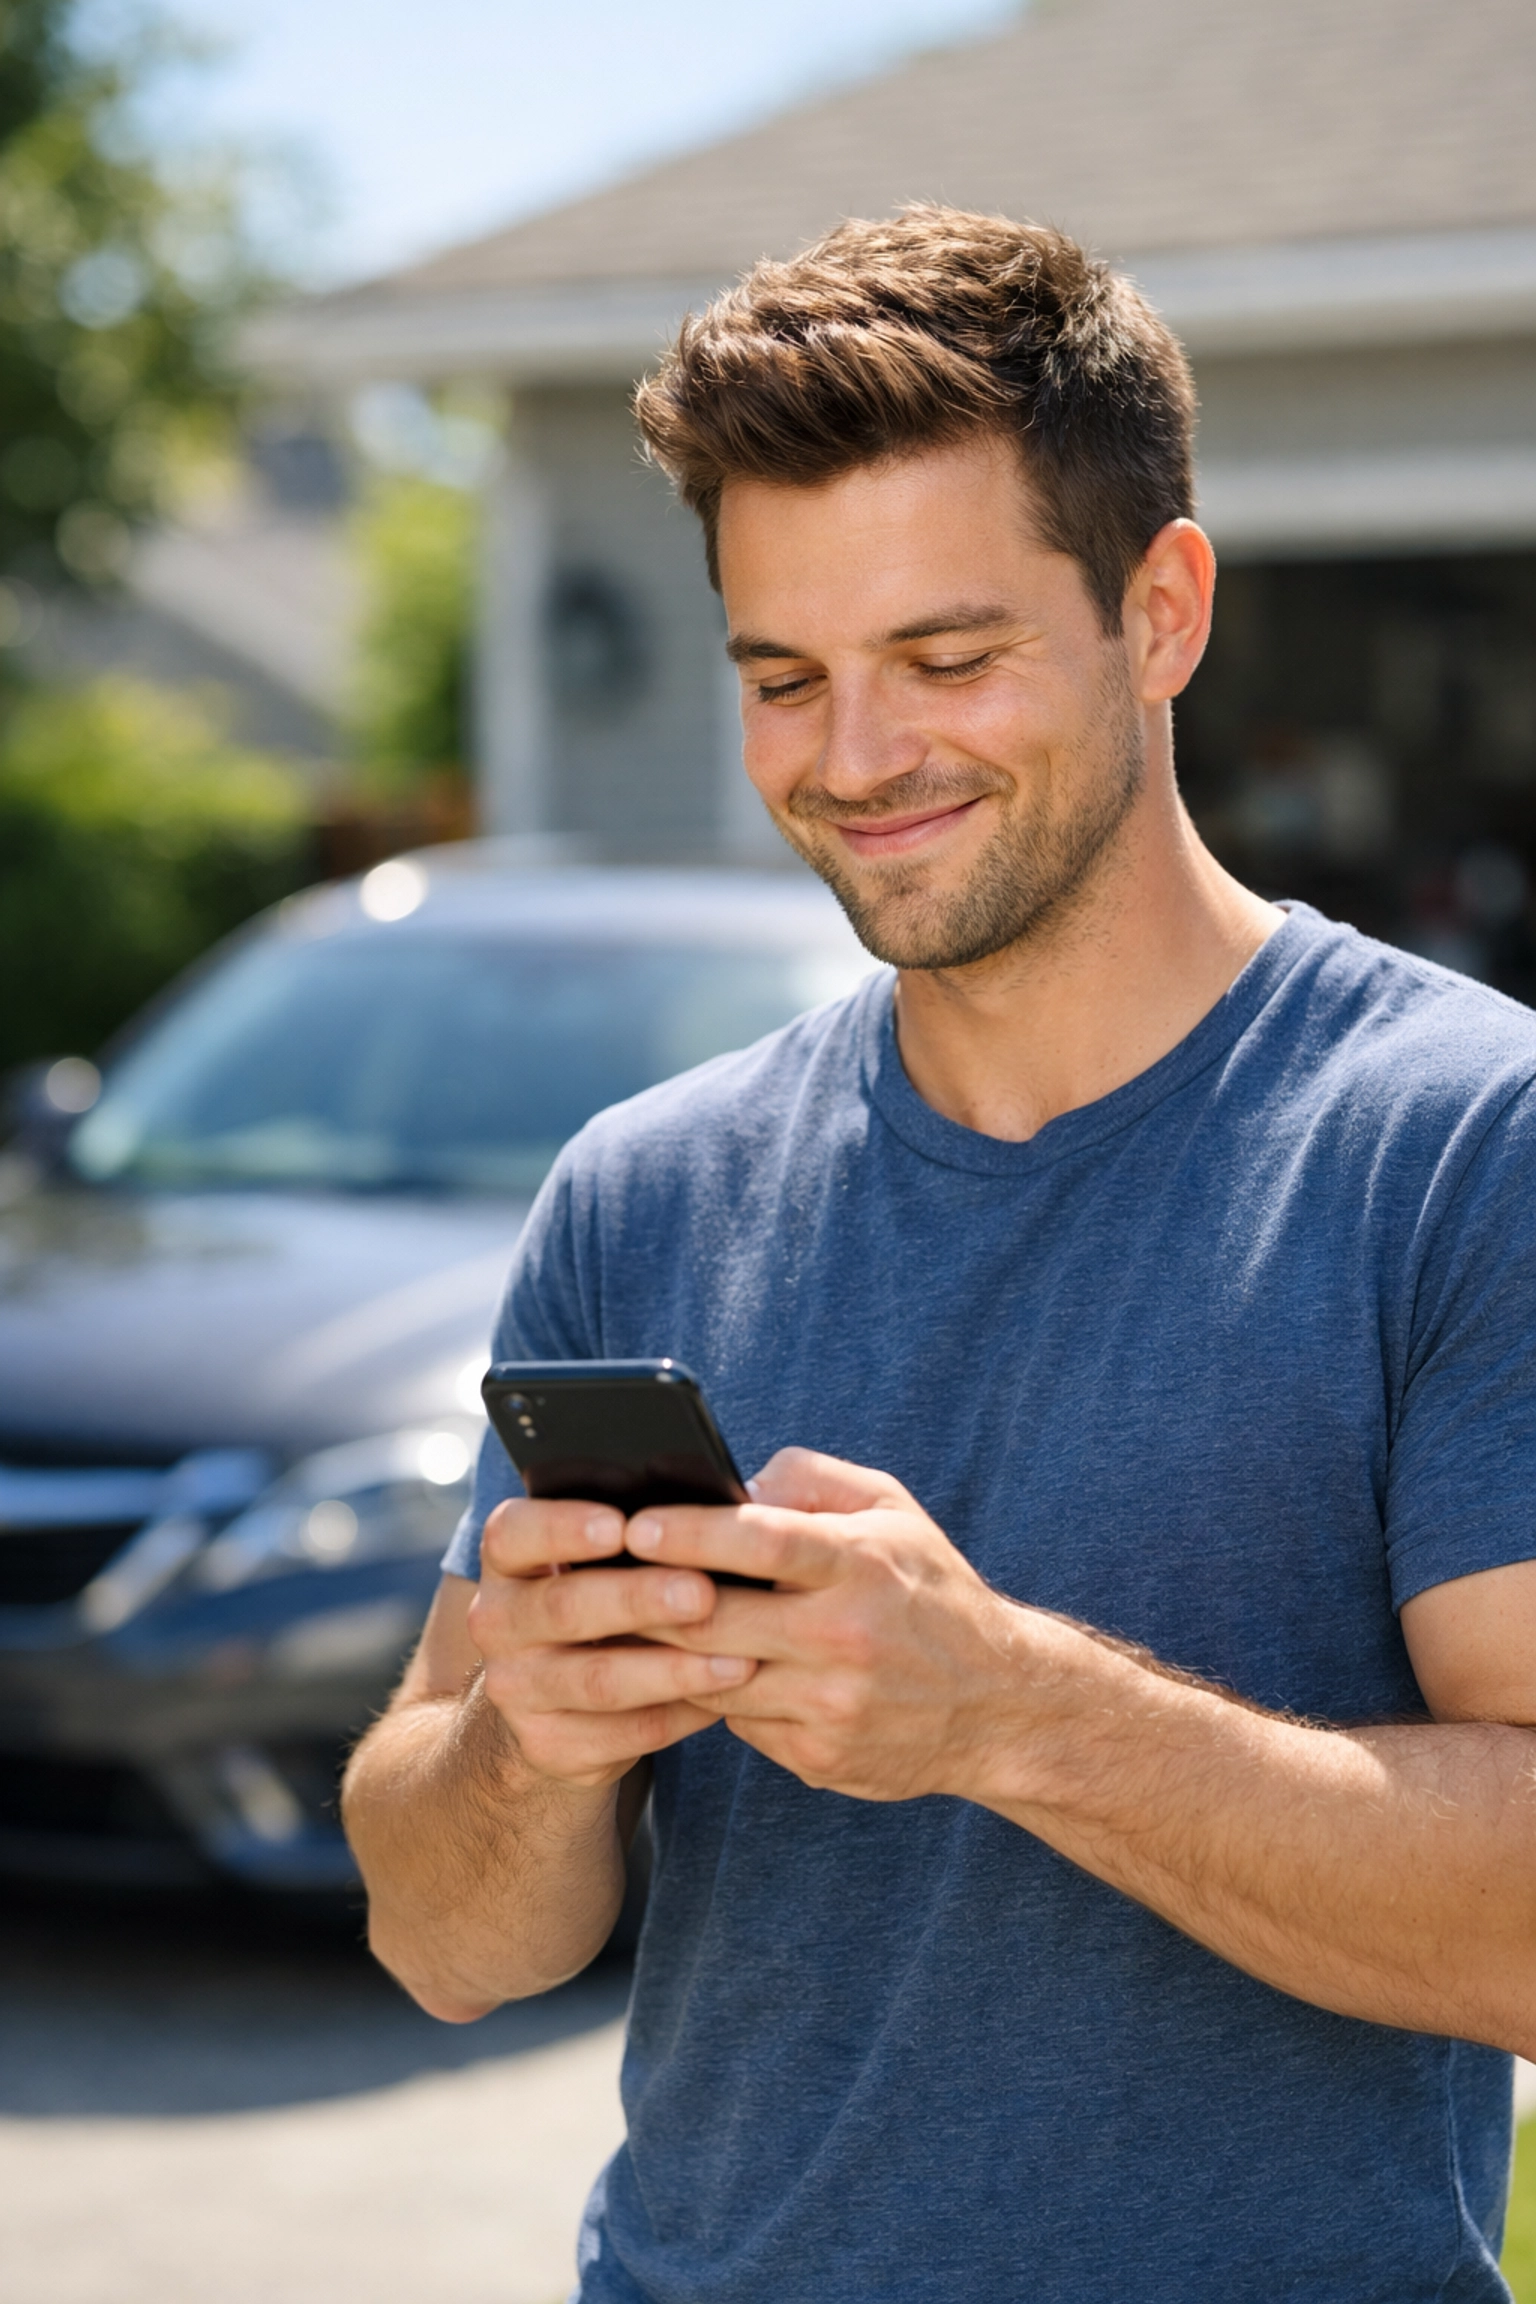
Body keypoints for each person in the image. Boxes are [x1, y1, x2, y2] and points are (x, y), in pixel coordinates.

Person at [342, 207, 1536, 2303]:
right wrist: (529, 1744)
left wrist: (1005, 1713)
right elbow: (445, 1945)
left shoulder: (1461, 1145)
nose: (856, 759)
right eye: (784, 679)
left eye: (947, 658)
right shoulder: (647, 1189)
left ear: (1160, 612)